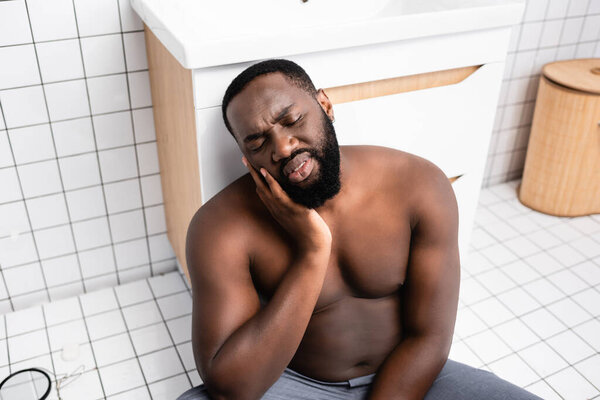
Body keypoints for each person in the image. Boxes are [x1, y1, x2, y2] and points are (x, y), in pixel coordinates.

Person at [178, 59, 542, 400]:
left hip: (412, 375)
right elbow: (232, 387)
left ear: (325, 106)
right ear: (247, 158)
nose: (283, 147)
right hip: (291, 383)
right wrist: (312, 252)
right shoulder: (219, 227)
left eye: (291, 120)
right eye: (258, 143)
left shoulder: (418, 185)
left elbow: (429, 337)